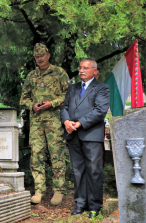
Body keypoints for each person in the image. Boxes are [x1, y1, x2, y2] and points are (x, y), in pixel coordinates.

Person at [19, 43, 69, 205]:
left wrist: (52, 103)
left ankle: (59, 190)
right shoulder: (31, 76)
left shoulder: (59, 72)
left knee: (56, 154)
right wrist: (31, 105)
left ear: (48, 55)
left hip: (54, 121)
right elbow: (23, 98)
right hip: (36, 123)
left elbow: (68, 95)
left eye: (42, 55)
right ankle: (39, 190)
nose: (39, 58)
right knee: (36, 155)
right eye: (36, 56)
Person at [60, 58, 109, 218]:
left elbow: (100, 111)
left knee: (94, 171)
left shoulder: (102, 88)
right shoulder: (72, 88)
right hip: (73, 135)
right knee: (78, 171)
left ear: (94, 71)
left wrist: (79, 123)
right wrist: (66, 121)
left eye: (85, 68)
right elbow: (64, 107)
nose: (81, 70)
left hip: (91, 135)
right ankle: (80, 204)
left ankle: (94, 206)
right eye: (80, 67)